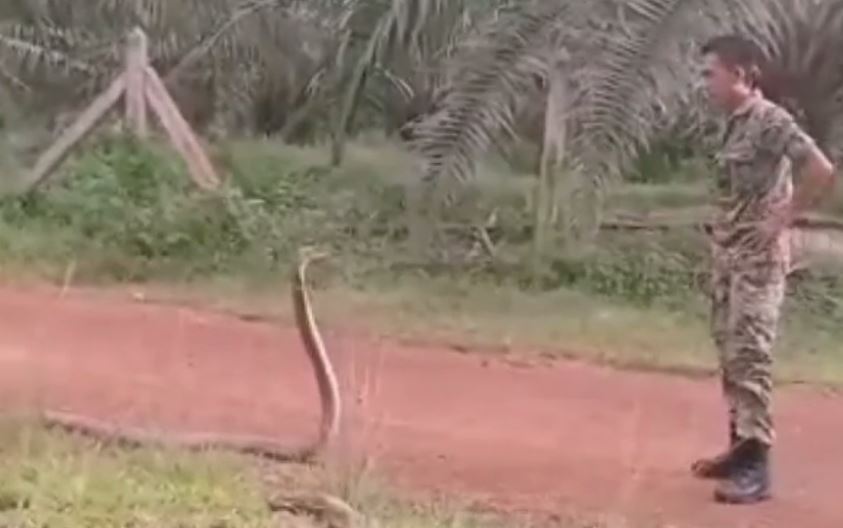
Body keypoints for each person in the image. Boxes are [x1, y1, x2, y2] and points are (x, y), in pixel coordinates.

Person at [692, 34, 836, 504]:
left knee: (751, 354)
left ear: (739, 73)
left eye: (710, 73)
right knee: (730, 353)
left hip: (758, 260)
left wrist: (784, 217)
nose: (704, 82)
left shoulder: (770, 120)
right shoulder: (731, 124)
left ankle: (758, 467)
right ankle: (739, 447)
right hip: (730, 254)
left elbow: (819, 168)